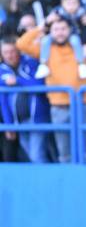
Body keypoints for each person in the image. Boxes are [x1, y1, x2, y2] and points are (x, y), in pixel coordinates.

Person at [16, 17, 86, 163]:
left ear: (70, 30)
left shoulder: (81, 46)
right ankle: (69, 184)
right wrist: (43, 26)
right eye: (56, 29)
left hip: (81, 105)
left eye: (63, 29)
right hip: (58, 107)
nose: (60, 33)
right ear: (51, 32)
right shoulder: (45, 49)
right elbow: (21, 44)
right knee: (64, 151)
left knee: (85, 150)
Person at [0, 35, 50, 163]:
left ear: (18, 51)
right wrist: (9, 125)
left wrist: (18, 81)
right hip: (19, 122)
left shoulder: (31, 63)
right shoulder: (2, 70)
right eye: (6, 52)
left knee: (37, 155)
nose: (10, 55)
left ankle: (47, 182)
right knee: (32, 157)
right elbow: (3, 101)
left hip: (38, 120)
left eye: (12, 51)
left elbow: (40, 84)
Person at [35, 0, 86, 79]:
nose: (71, 6)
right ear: (62, 4)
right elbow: (47, 27)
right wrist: (46, 23)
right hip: (54, 38)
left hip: (74, 36)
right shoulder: (57, 13)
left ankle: (81, 64)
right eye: (68, 4)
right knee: (45, 40)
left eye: (74, 3)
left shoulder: (81, 14)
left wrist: (85, 43)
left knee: (75, 40)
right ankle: (43, 64)